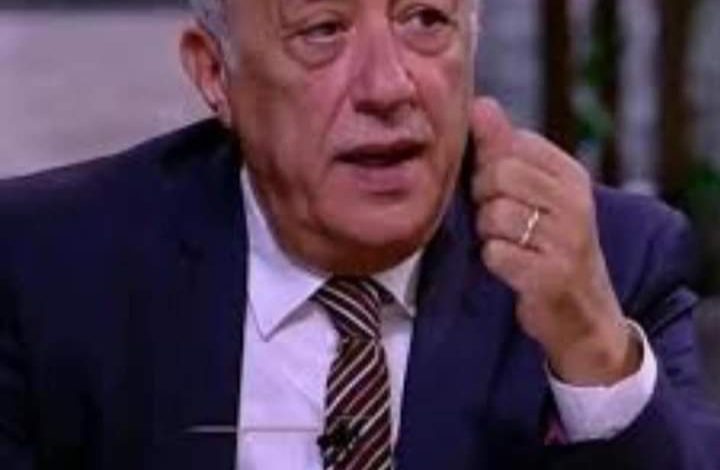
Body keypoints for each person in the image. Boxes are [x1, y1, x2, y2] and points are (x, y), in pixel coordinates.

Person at [0, 0, 718, 468]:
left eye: (425, 20)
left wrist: (592, 347)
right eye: (323, 30)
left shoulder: (611, 265)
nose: (388, 86)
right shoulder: (45, 271)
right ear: (216, 73)